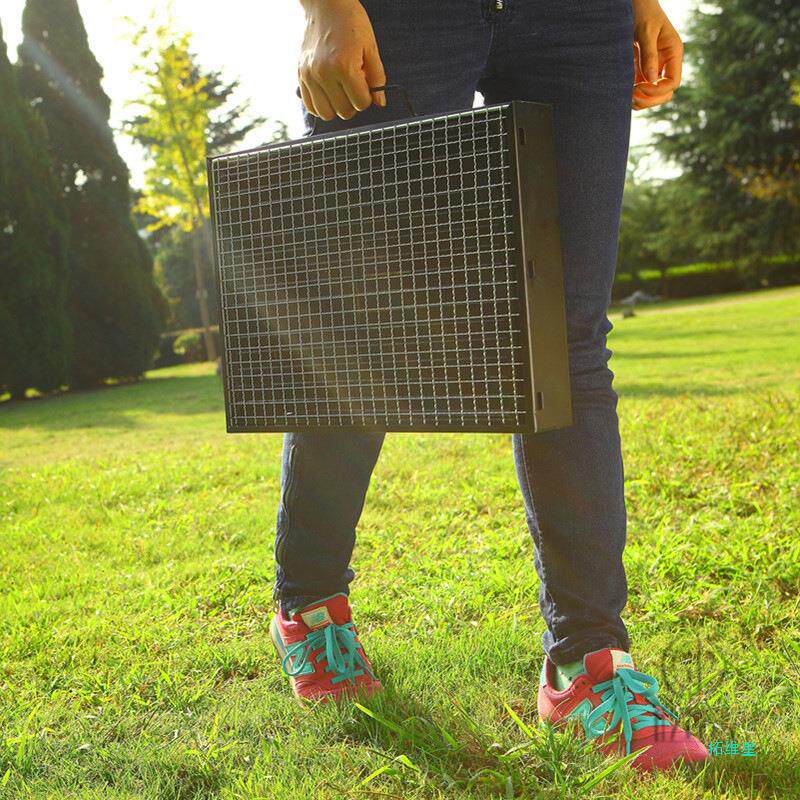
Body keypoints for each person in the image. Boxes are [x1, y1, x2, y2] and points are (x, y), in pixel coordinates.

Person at [269, 0, 708, 772]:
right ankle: (309, 608)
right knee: (357, 333)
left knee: (566, 339)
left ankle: (586, 662)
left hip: (578, 18)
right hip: (400, 16)